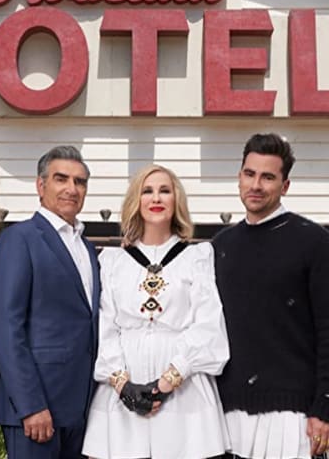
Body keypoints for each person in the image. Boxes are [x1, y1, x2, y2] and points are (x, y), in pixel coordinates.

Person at [213, 133, 329, 459]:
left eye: (268, 177)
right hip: (227, 415)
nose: (256, 185)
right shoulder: (219, 247)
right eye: (249, 174)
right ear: (239, 177)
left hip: (293, 417)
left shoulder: (315, 242)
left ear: (285, 185)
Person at [83, 165, 230, 459]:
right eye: (147, 191)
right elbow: (106, 326)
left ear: (177, 200)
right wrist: (123, 386)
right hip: (122, 395)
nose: (156, 198)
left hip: (185, 395)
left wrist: (167, 382)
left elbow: (208, 325)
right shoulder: (112, 261)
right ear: (136, 201)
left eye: (165, 190)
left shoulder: (197, 257)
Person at [0, 145, 101, 459]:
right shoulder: (19, 239)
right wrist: (31, 405)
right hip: (36, 409)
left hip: (79, 409)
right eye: (61, 179)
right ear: (41, 186)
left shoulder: (88, 249)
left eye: (79, 182)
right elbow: (7, 327)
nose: (71, 188)